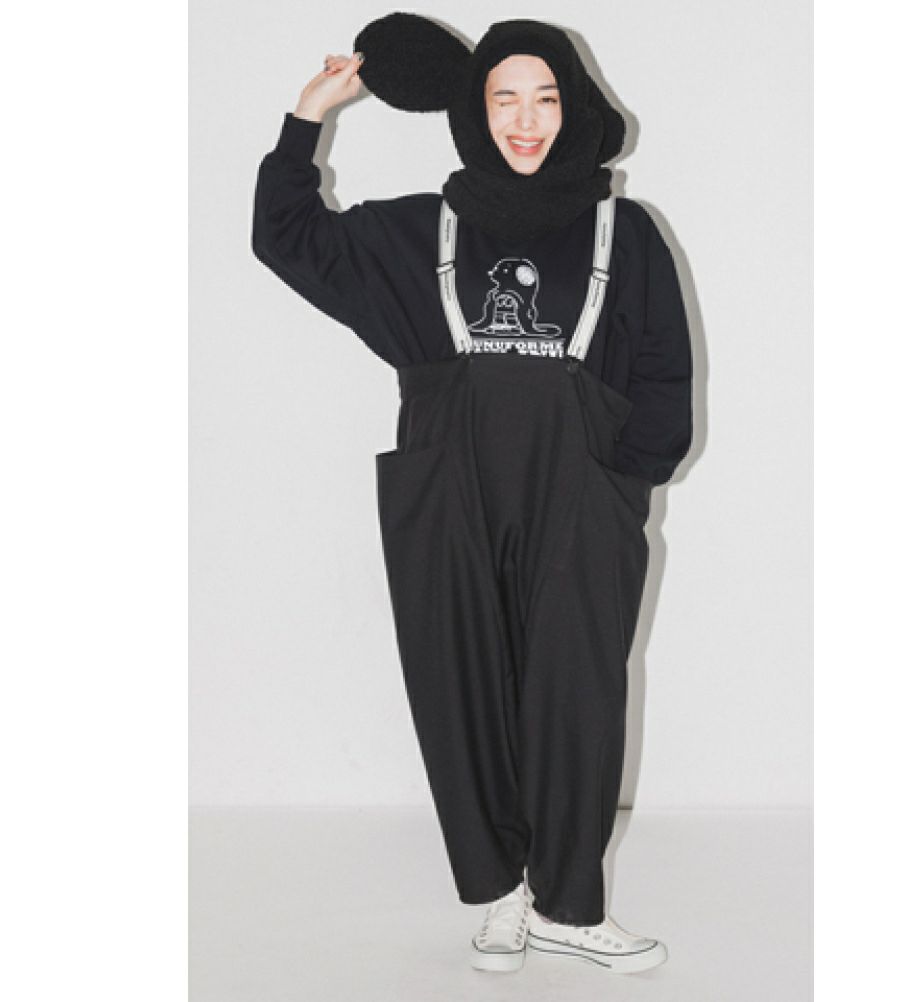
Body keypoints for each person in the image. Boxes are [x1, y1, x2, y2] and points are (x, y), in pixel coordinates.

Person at [252, 14, 692, 976]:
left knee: (577, 694)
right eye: (504, 99)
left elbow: (665, 371)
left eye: (545, 98)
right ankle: (499, 897)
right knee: (458, 686)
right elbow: (285, 236)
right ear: (475, 111)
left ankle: (568, 905)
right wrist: (307, 117)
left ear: (575, 108)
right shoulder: (420, 231)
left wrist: (626, 480)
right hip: (447, 487)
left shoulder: (627, 232)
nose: (525, 121)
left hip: (583, 493)